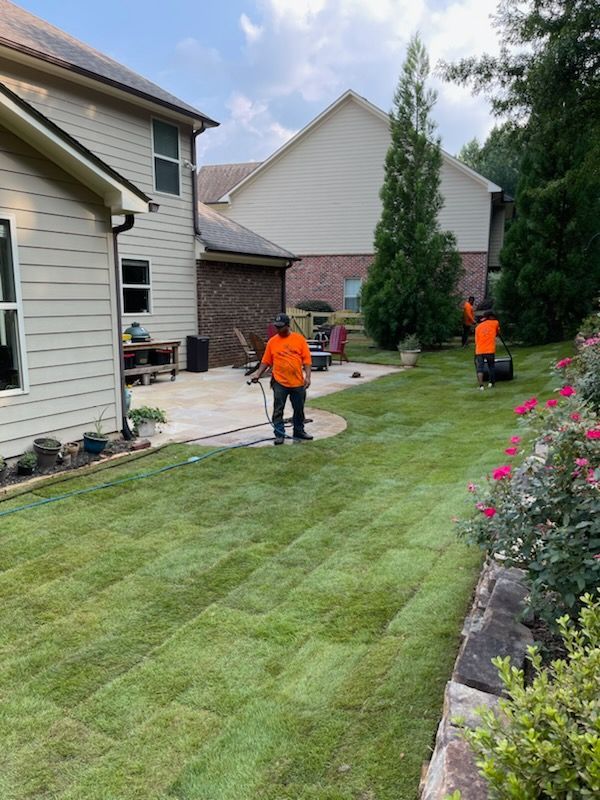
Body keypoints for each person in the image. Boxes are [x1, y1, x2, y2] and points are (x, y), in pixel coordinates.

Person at [251, 313, 313, 444]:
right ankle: (279, 434)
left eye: (281, 327)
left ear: (288, 326)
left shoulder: (299, 340)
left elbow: (307, 360)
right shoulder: (272, 342)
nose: (278, 329)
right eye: (276, 327)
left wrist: (307, 377)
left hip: (297, 382)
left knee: (299, 409)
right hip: (279, 381)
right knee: (278, 409)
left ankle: (299, 431)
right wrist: (258, 374)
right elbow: (266, 361)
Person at [474, 309, 500, 390]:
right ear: (491, 316)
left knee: (480, 368)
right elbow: (497, 333)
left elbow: (476, 341)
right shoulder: (495, 322)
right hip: (489, 350)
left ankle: (481, 386)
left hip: (479, 350)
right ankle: (491, 383)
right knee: (491, 366)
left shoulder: (478, 327)